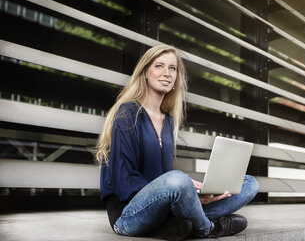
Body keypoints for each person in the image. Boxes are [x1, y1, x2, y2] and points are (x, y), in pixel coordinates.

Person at [96, 44, 259, 240]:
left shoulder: (169, 121)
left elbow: (165, 182)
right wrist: (180, 186)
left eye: (172, 68)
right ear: (145, 73)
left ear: (176, 79)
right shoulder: (128, 113)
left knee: (250, 184)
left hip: (163, 209)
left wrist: (191, 194)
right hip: (128, 215)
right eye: (159, 66)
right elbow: (124, 181)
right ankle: (210, 228)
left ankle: (181, 225)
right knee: (178, 179)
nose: (167, 73)